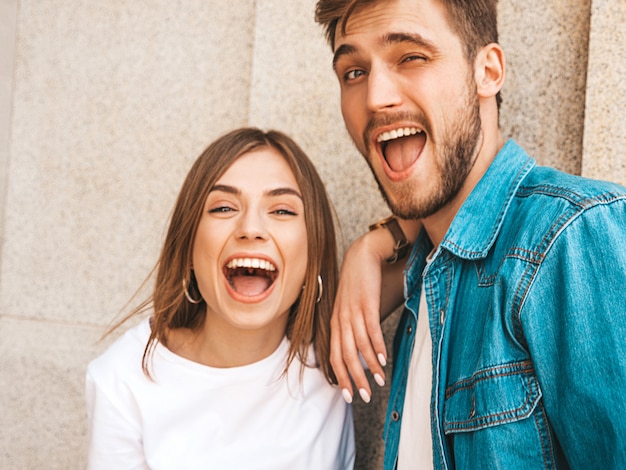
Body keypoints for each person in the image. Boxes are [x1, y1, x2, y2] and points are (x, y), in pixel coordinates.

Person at [315, 0, 626, 468]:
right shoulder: (423, 278)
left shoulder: (571, 236)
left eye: (411, 56)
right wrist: (376, 243)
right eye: (354, 72)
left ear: (488, 71)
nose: (375, 96)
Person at [86, 127, 355, 469]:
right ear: (188, 246)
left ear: (314, 252)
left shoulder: (335, 348)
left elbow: (428, 219)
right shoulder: (122, 381)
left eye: (282, 211)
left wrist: (370, 248)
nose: (251, 227)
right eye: (224, 208)